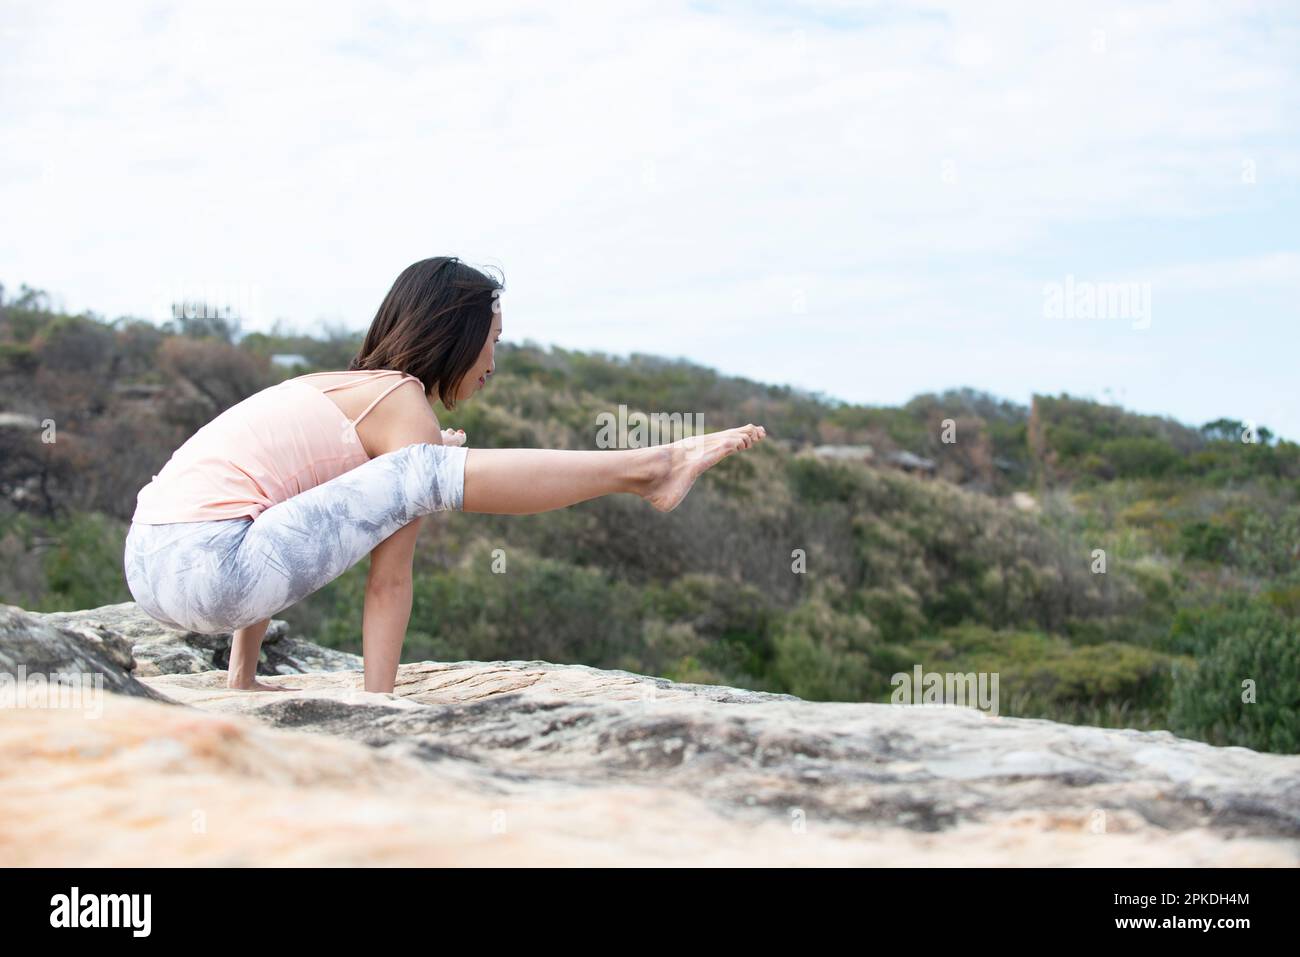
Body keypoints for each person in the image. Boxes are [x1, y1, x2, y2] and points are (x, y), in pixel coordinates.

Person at [123, 256, 767, 694]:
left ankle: (651, 467)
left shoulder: (335, 388)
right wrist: (379, 706)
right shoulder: (401, 401)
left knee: (416, 475)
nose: (494, 362)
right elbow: (389, 582)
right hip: (208, 568)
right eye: (494, 340)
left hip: (151, 563)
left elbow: (261, 510)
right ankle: (652, 466)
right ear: (458, 336)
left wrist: (241, 681)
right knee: (419, 477)